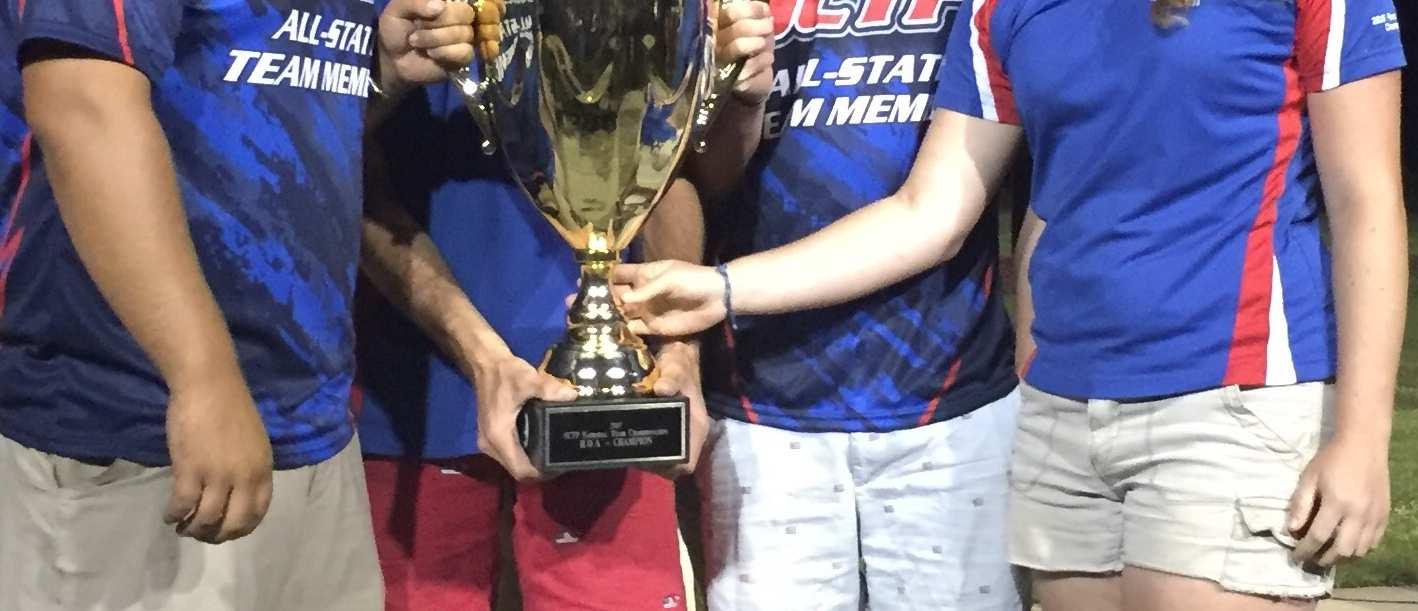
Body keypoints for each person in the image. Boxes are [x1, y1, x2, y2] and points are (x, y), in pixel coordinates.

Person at [615, 0, 1409, 609]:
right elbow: (933, 210)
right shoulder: (1001, 6)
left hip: (1230, 392)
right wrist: (722, 288)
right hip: (1067, 411)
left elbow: (1367, 199)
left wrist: (1363, 435)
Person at [0, 0, 478, 609]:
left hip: (308, 426)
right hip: (131, 431)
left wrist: (377, 70)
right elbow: (80, 105)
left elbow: (263, 96)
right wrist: (202, 377)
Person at [352, 3, 776, 610]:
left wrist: (676, 350)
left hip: (616, 390)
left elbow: (667, 159)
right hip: (413, 396)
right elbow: (349, 175)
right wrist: (484, 358)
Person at [647, 0, 1027, 608]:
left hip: (951, 401)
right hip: (760, 407)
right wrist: (738, 103)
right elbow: (691, 176)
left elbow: (959, 206)